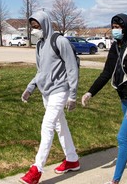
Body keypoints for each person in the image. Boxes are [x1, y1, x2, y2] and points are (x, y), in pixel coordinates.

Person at [81, 13, 127, 184]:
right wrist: (90, 92)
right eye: (113, 27)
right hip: (124, 99)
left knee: (122, 138)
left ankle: (115, 181)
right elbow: (106, 73)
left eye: (118, 27)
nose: (115, 30)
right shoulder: (116, 47)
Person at [19, 10, 80, 184]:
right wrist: (30, 88)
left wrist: (73, 95)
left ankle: (36, 169)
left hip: (60, 90)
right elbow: (41, 71)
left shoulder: (60, 41)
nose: (34, 30)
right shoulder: (39, 45)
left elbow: (72, 69)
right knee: (60, 126)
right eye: (32, 27)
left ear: (44, 24)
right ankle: (72, 159)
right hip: (47, 91)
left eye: (36, 26)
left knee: (47, 126)